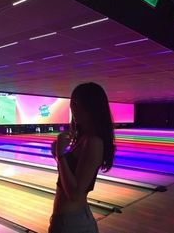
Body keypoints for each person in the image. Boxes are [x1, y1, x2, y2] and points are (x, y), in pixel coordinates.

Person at [48, 82, 115, 233]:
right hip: (66, 221)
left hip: (73, 225)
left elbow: (74, 194)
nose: (73, 108)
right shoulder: (82, 138)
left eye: (78, 104)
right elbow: (68, 179)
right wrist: (58, 156)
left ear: (92, 108)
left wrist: (61, 155)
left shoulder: (93, 142)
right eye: (72, 103)